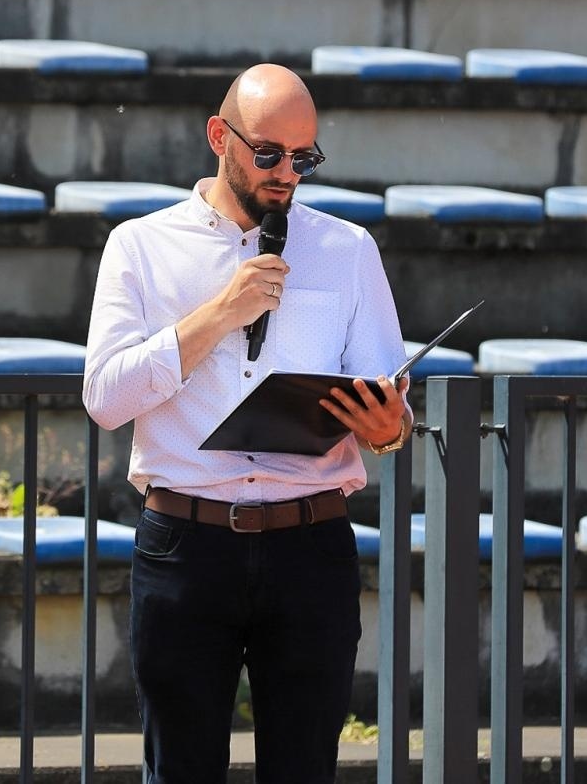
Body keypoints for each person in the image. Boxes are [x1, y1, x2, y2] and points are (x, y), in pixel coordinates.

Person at [82, 64, 413, 784]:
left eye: (305, 157)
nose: (287, 172)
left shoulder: (348, 250)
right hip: (185, 546)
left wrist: (390, 427)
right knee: (180, 771)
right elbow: (105, 398)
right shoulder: (140, 246)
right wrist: (217, 316)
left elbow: (386, 405)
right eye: (269, 153)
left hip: (311, 545)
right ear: (218, 137)